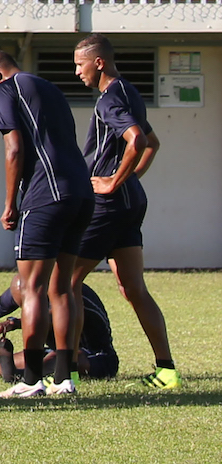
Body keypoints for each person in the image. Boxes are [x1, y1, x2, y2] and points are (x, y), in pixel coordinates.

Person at [0, 50, 93, 398]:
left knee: (32, 288)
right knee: (62, 288)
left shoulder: (5, 89)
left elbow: (14, 148)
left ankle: (30, 381)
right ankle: (64, 378)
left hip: (46, 195)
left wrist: (10, 203)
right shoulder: (51, 89)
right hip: (81, 193)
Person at [71, 34, 179, 390]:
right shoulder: (129, 91)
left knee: (67, 282)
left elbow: (139, 140)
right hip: (131, 202)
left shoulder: (108, 101)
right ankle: (166, 370)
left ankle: (65, 372)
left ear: (98, 62)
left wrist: (114, 182)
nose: (76, 72)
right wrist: (130, 180)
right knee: (133, 287)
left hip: (109, 204)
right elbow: (154, 142)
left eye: (79, 64)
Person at [0, 276, 117, 381]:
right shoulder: (22, 286)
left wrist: (15, 322)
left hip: (95, 356)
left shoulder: (60, 290)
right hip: (50, 353)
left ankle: (18, 376)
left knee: (63, 357)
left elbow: (50, 319)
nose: (24, 305)